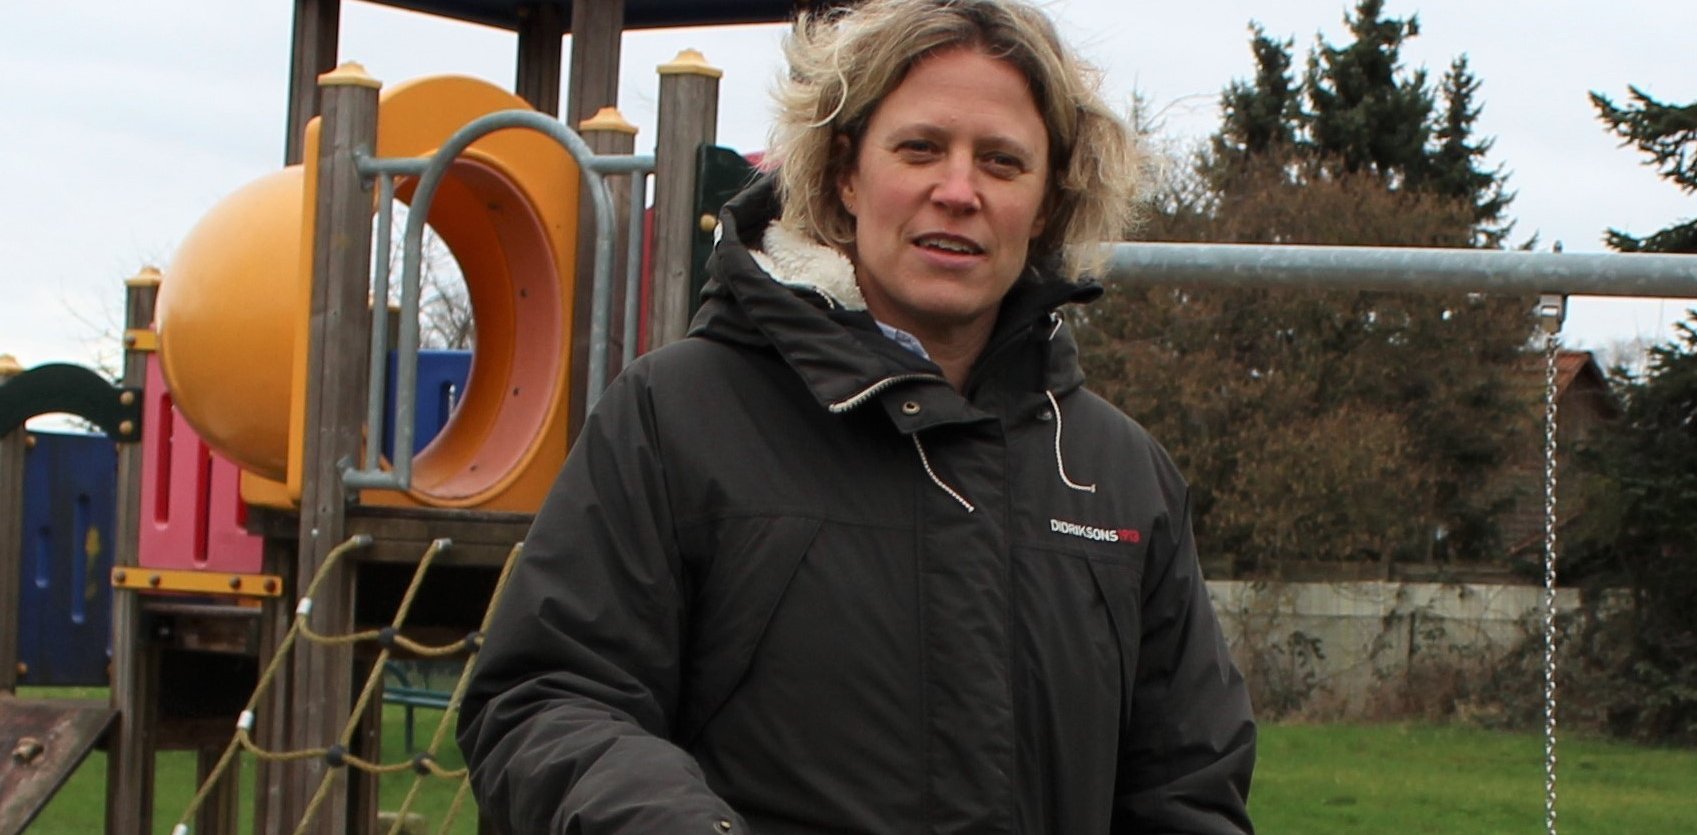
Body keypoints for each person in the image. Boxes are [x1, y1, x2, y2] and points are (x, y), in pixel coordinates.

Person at [457, 0, 1256, 832]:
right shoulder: (675, 418)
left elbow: (1187, 785)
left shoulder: (1122, 478)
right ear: (844, 172)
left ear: (1049, 201)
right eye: (919, 149)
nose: (958, 191)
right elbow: (546, 699)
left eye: (1001, 161)